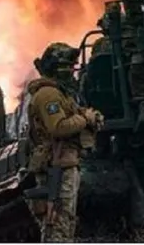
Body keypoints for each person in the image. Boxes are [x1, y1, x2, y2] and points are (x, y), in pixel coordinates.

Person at [25, 42, 104, 242]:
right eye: (67, 66)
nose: (71, 70)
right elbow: (58, 127)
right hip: (56, 166)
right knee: (57, 222)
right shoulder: (48, 95)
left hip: (65, 163)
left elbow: (74, 115)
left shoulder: (60, 94)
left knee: (64, 220)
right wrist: (85, 119)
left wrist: (90, 116)